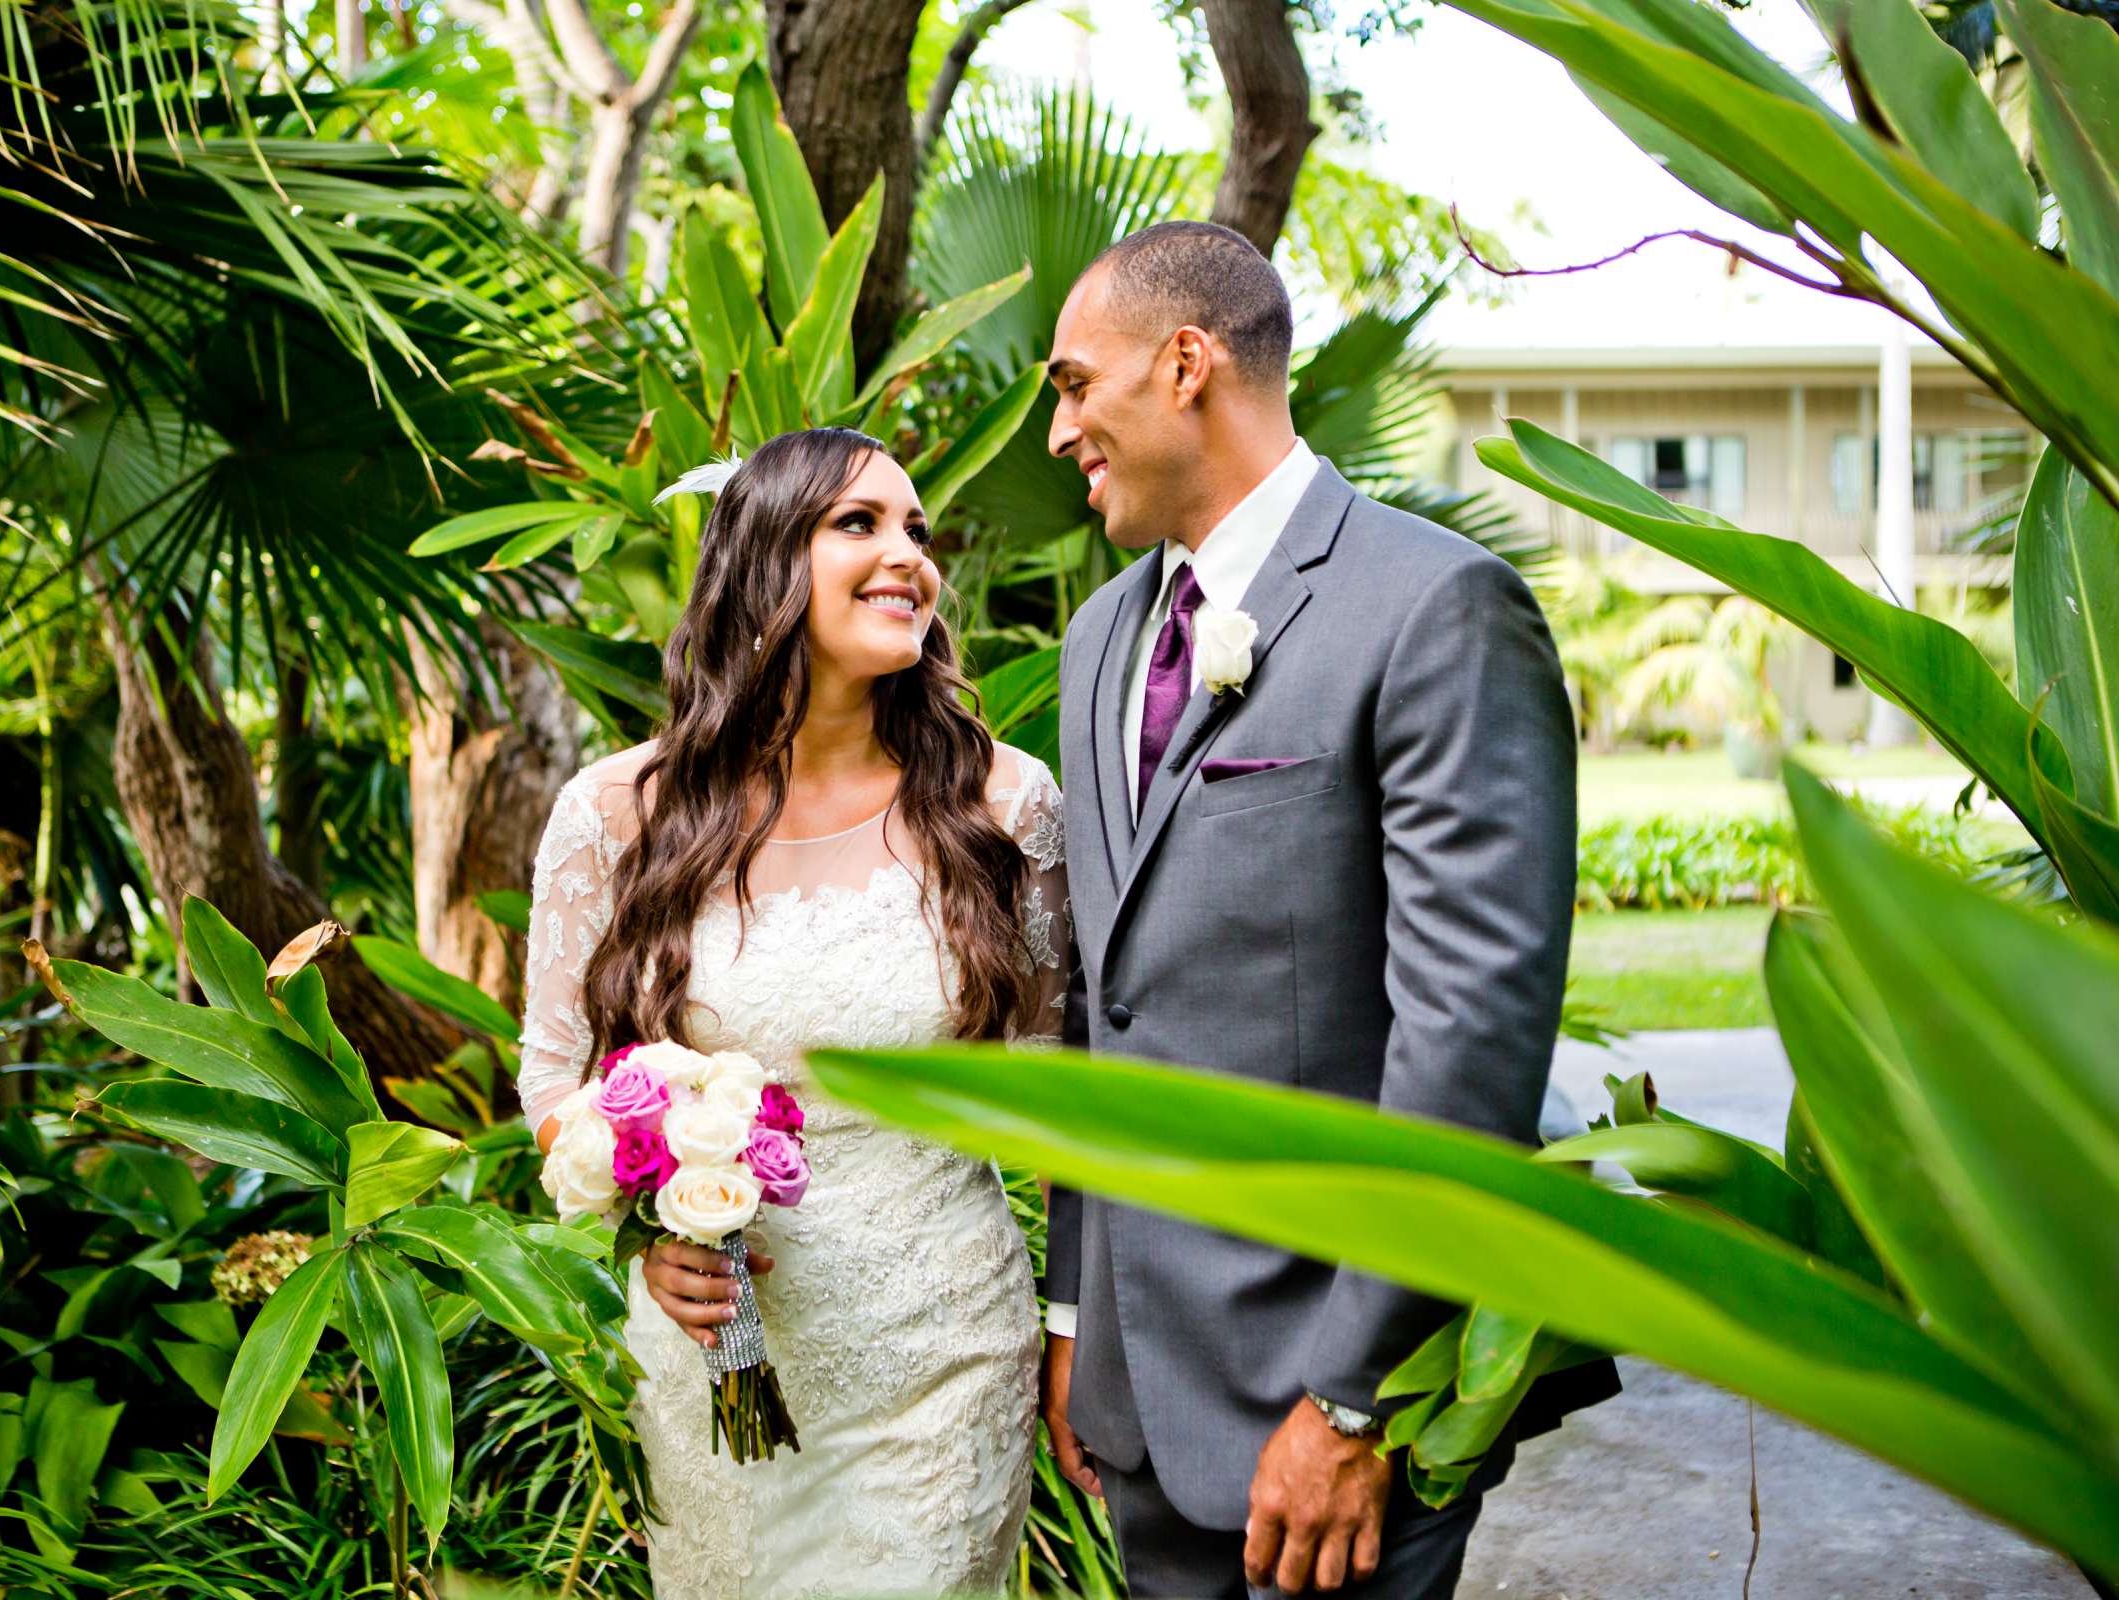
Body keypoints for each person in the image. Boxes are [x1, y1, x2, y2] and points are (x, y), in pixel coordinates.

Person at [1040, 221, 1618, 1599]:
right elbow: (1094, 1000)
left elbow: (1469, 1038)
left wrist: (1355, 1397)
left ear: (1186, 365)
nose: (1059, 431)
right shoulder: (1095, 641)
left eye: (1073, 384)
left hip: (1334, 1398)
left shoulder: (1434, 608)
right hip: (1134, 1399)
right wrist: (1076, 1315)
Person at [517, 427, 1067, 1599]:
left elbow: (1067, 1095)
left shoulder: (1004, 805)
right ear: (764, 560)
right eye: (858, 524)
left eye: (916, 529)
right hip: (716, 1359)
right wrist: (647, 1229)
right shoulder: (616, 814)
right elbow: (555, 1081)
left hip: (942, 1350)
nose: (907, 555)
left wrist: (1080, 1335)